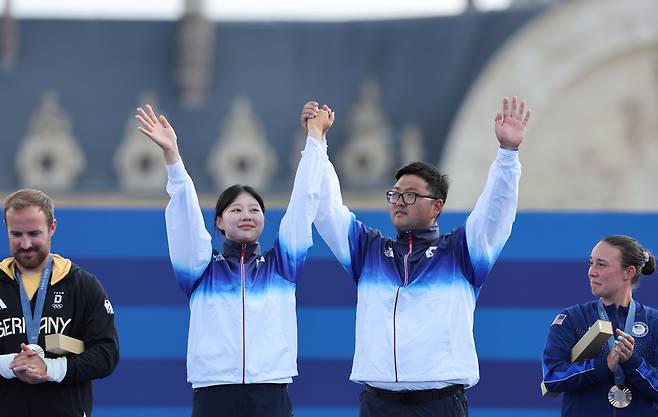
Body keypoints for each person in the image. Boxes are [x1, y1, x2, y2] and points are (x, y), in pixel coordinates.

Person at [301, 96, 531, 416]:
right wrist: (318, 141)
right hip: (378, 403)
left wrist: (508, 155)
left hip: (439, 404)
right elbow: (327, 211)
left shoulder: (460, 253)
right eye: (394, 194)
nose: (399, 201)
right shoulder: (368, 251)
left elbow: (496, 214)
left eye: (410, 194)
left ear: (437, 206)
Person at [136, 103, 334, 417]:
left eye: (254, 210)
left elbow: (303, 202)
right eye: (236, 210)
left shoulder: (281, 267)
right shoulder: (201, 269)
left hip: (271, 390)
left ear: (264, 221)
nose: (246, 216)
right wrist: (172, 156)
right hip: (215, 391)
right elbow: (184, 214)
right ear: (219, 221)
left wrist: (315, 140)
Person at [0, 189, 119, 417]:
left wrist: (51, 369)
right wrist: (12, 365)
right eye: (16, 234)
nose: (25, 244)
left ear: (52, 227)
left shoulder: (83, 285)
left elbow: (106, 354)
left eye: (34, 233)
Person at [542, 235, 658, 416]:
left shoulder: (654, 322)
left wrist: (632, 362)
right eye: (591, 263)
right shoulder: (572, 318)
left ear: (628, 272)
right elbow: (552, 378)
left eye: (601, 264)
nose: (591, 272)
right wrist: (604, 365)